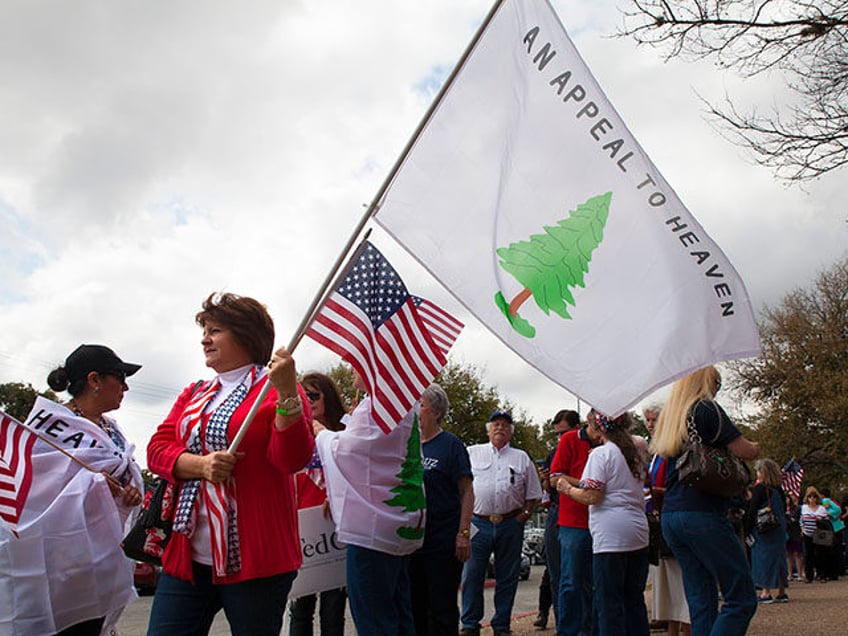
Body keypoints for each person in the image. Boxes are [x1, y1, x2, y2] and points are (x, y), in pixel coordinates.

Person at [146, 293, 315, 636]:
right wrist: (200, 465)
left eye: (216, 330)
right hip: (187, 556)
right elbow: (157, 449)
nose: (205, 338)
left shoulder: (277, 389)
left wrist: (286, 398)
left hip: (258, 561)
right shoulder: (193, 393)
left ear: (245, 335)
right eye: (204, 330)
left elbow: (292, 460)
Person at [1, 344, 144, 635]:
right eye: (119, 377)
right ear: (94, 380)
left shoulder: (111, 428)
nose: (126, 386)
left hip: (100, 562)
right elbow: (34, 494)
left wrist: (128, 494)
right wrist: (92, 485)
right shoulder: (46, 428)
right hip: (59, 568)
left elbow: (122, 480)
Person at [315, 369, 426, 635]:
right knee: (399, 614)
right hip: (397, 522)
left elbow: (346, 452)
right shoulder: (401, 399)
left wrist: (321, 433)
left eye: (359, 360)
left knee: (374, 619)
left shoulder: (377, 403)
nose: (352, 365)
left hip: (373, 529)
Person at [650, 366, 760, 636]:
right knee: (741, 596)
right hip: (702, 513)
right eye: (717, 383)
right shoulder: (706, 409)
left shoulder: (671, 418)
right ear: (706, 382)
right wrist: (758, 447)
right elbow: (744, 450)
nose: (717, 389)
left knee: (701, 599)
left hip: (672, 516)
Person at [559, 411, 650, 635]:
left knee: (609, 601)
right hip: (638, 529)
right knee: (634, 598)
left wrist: (568, 489)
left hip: (611, 534)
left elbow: (593, 496)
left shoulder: (601, 454)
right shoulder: (637, 452)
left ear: (600, 428)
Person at [460, 410, 543, 636]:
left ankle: (502, 625)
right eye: (495, 424)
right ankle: (469, 624)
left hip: (510, 523)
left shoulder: (521, 457)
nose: (500, 428)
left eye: (505, 425)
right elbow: (461, 485)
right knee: (472, 575)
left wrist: (524, 515)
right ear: (488, 429)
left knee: (507, 577)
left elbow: (533, 492)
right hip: (479, 522)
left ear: (510, 432)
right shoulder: (471, 453)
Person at [410, 383, 474, 636]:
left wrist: (464, 532)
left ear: (435, 411)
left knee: (441, 609)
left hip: (442, 541)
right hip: (411, 542)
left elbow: (467, 491)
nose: (415, 410)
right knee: (414, 606)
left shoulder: (450, 445)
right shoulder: (407, 443)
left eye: (420, 404)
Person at [288, 372, 348, 636]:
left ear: (329, 397)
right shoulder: (294, 433)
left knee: (333, 609)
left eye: (314, 395)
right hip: (302, 527)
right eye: (304, 395)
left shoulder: (344, 434)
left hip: (334, 526)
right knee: (300, 609)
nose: (308, 400)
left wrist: (335, 495)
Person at [549, 409, 604, 636]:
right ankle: (569, 631)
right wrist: (587, 484)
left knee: (598, 583)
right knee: (571, 581)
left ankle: (592, 630)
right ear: (589, 422)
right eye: (597, 428)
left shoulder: (610, 444)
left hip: (603, 523)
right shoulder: (570, 440)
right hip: (574, 522)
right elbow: (554, 478)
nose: (600, 434)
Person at [643, 404, 690, 636]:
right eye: (648, 420)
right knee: (666, 579)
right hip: (659, 520)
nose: (650, 424)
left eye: (654, 419)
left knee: (679, 577)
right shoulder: (657, 452)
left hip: (671, 515)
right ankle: (672, 626)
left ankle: (687, 625)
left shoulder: (673, 447)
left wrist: (656, 491)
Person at [533, 409, 580, 630]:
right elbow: (550, 488)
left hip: (578, 514)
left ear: (577, 429)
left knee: (578, 574)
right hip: (556, 511)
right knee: (556, 574)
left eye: (565, 432)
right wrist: (546, 479)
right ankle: (562, 624)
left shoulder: (588, 450)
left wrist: (560, 480)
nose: (561, 438)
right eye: (558, 434)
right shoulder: (555, 452)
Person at [744, 458, 788, 603]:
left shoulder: (760, 488)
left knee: (763, 558)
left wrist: (748, 529)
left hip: (764, 528)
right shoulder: (779, 489)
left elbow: (752, 510)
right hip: (779, 526)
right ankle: (782, 591)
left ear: (763, 472)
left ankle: (766, 592)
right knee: (780, 558)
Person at [799, 486, 830, 583]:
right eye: (810, 497)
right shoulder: (804, 508)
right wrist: (802, 529)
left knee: (821, 555)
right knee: (808, 555)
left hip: (820, 533)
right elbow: (801, 520)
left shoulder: (822, 509)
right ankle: (809, 576)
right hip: (807, 533)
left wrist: (820, 520)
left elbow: (827, 522)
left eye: (814, 497)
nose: (812, 499)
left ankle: (822, 575)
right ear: (807, 498)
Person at [818, 487, 844, 581]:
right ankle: (835, 572)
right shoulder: (829, 501)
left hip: (833, 528)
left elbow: (836, 510)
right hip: (836, 527)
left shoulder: (825, 501)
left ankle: (832, 573)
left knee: (831, 551)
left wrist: (828, 514)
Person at [784, 492, 804, 582]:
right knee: (788, 554)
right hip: (786, 533)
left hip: (795, 533)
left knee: (797, 553)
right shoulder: (782, 509)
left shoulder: (797, 509)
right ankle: (790, 574)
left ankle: (800, 574)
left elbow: (795, 520)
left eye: (788, 498)